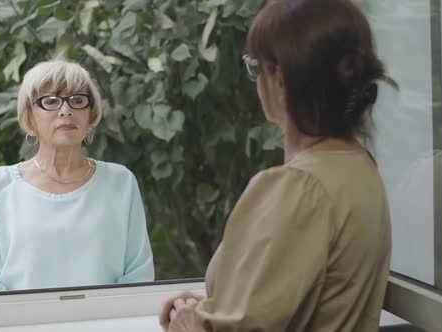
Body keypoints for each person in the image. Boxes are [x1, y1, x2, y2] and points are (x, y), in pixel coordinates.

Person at [159, 0, 396, 331]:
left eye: (255, 67)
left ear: (281, 78)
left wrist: (188, 323)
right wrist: (215, 314)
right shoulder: (360, 169)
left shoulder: (299, 187)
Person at [0, 59, 154, 292]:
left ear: (90, 114)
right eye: (51, 101)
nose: (66, 110)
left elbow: (138, 278)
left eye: (77, 100)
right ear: (29, 116)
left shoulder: (121, 182)